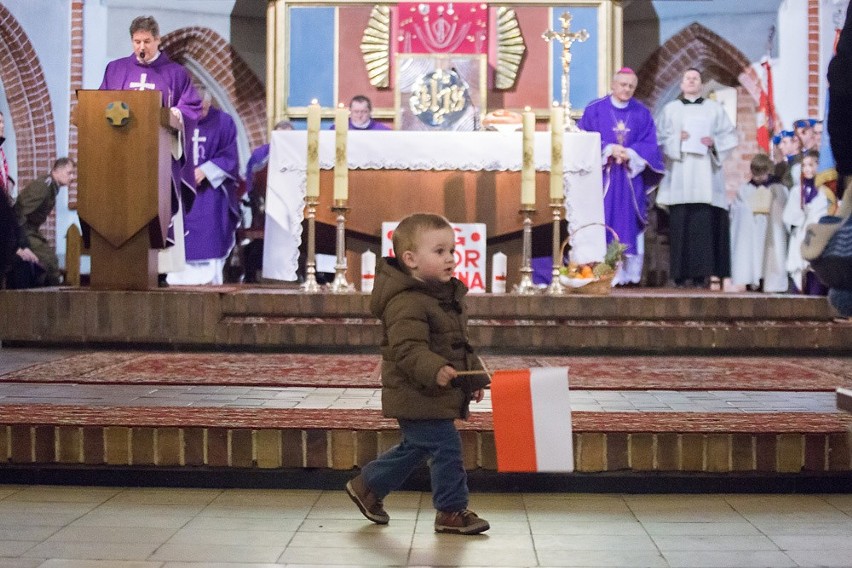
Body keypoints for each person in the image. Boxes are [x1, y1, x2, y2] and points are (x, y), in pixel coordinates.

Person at [345, 213, 490, 535]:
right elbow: (407, 348)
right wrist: (434, 369)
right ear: (410, 259)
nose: (451, 258)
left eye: (452, 250)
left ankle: (367, 486)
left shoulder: (442, 297)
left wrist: (474, 378)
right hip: (416, 390)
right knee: (446, 448)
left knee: (416, 448)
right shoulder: (406, 302)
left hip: (429, 393)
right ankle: (451, 511)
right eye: (439, 252)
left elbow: (457, 346)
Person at [99, 15, 203, 284]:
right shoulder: (115, 70)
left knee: (159, 208)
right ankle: (120, 265)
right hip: (123, 159)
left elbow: (191, 108)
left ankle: (160, 270)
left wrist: (175, 114)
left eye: (146, 41)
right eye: (136, 41)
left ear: (158, 40)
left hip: (159, 160)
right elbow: (100, 106)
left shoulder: (175, 74)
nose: (141, 47)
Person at [578, 67, 664, 285]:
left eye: (631, 86)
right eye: (623, 85)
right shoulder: (595, 110)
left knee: (628, 223)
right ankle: (601, 270)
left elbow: (651, 144)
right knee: (602, 220)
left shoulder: (641, 113)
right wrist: (608, 149)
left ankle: (627, 276)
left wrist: (631, 153)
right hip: (603, 177)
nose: (627, 89)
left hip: (628, 179)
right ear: (613, 85)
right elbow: (582, 139)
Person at [655, 68, 739, 288]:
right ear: (681, 84)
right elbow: (660, 138)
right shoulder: (670, 109)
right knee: (681, 225)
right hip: (680, 175)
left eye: (695, 78)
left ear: (701, 84)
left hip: (705, 176)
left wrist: (714, 143)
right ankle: (680, 275)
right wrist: (676, 138)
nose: (691, 81)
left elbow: (729, 136)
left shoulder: (714, 109)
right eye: (687, 78)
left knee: (703, 227)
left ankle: (703, 274)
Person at [168, 89, 241, 285]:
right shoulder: (177, 121)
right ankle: (176, 283)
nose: (200, 114)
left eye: (205, 110)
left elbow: (230, 158)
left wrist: (206, 171)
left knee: (209, 238)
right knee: (179, 243)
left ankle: (210, 285)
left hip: (209, 195)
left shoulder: (224, 122)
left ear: (210, 104)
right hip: (181, 193)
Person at [729, 154, 790, 292]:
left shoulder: (778, 188)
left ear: (768, 171)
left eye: (761, 174)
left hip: (771, 231)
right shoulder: (745, 189)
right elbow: (737, 211)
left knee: (770, 258)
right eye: (755, 174)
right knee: (753, 258)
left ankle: (769, 281)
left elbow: (784, 208)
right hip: (752, 231)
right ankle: (751, 280)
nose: (758, 178)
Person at [12, 158, 77, 287]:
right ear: (56, 171)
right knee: (49, 260)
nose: (72, 177)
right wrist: (18, 243)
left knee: (48, 260)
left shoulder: (52, 186)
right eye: (69, 173)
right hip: (23, 230)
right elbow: (19, 212)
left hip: (30, 229)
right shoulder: (43, 186)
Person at [783, 150, 836, 295]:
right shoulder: (797, 191)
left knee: (816, 274)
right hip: (800, 237)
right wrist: (800, 214)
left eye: (811, 165)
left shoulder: (825, 192)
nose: (807, 169)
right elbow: (789, 217)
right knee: (800, 274)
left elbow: (827, 212)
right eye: (804, 165)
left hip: (817, 237)